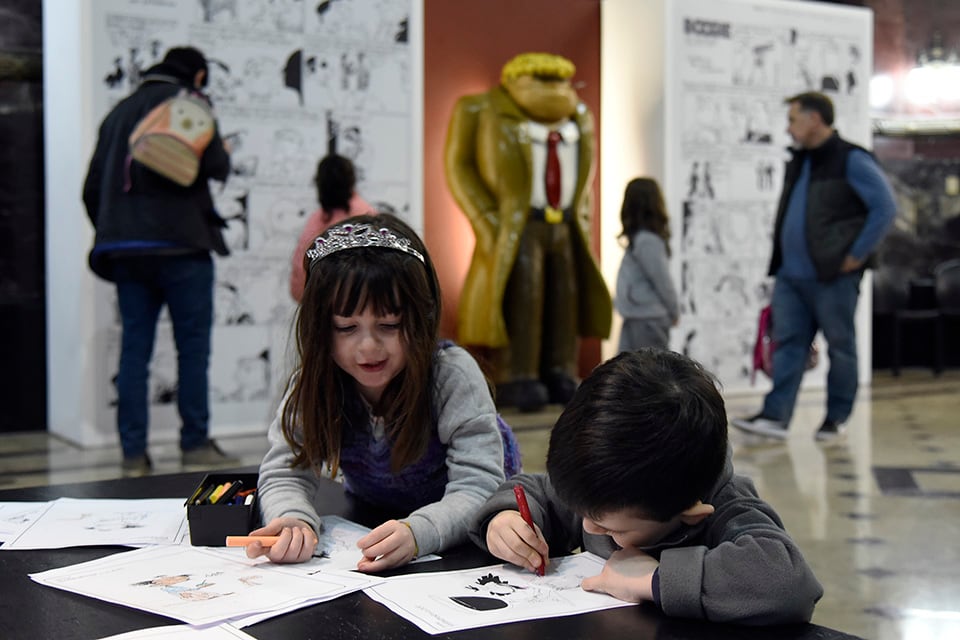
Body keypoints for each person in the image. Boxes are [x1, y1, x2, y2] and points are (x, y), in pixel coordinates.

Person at [469, 348, 823, 625]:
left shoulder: (728, 507)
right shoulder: (603, 490)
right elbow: (538, 491)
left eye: (609, 528)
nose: (589, 526)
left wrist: (653, 579)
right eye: (584, 515)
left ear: (688, 514)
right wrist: (506, 518)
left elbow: (788, 583)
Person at [246, 214, 519, 571]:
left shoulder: (451, 376)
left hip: (477, 525)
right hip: (374, 518)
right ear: (319, 330)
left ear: (421, 318)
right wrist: (293, 518)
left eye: (389, 325)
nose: (369, 347)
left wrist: (419, 531)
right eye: (346, 327)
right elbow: (285, 469)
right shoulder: (316, 382)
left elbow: (478, 486)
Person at [82, 46, 239, 477]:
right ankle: (194, 445)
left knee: (135, 349)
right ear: (200, 76)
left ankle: (133, 455)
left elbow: (92, 187)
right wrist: (220, 149)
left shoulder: (118, 114)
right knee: (192, 350)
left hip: (127, 252)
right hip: (183, 246)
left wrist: (117, 230)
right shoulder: (190, 104)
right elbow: (216, 166)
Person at [444, 52, 612, 413]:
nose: (554, 89)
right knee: (524, 296)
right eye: (542, 80)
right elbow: (458, 165)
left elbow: (584, 177)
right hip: (521, 224)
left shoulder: (579, 117)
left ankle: (560, 369)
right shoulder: (480, 108)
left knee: (565, 298)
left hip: (564, 224)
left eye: (560, 81)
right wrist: (487, 217)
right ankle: (517, 375)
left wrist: (581, 217)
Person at [731, 91, 896, 442]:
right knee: (787, 344)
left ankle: (835, 418)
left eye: (793, 119)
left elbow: (884, 207)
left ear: (814, 119)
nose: (789, 128)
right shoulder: (800, 160)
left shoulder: (851, 159)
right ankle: (775, 416)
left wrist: (857, 254)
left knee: (840, 346)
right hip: (792, 276)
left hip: (833, 276)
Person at [289, 154, 375, 302]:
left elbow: (299, 283)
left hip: (324, 310)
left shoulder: (316, 222)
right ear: (351, 180)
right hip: (362, 307)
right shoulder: (367, 216)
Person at [614, 178, 679, 352]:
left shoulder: (647, 242)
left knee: (649, 374)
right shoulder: (640, 240)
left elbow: (662, 280)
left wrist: (674, 311)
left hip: (648, 320)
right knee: (627, 372)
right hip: (638, 316)